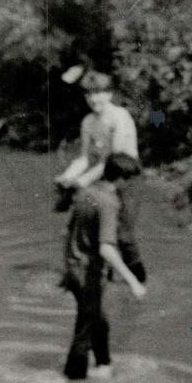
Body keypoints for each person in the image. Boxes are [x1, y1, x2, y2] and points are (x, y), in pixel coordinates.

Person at [56, 68, 147, 283]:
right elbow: (85, 159)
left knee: (123, 234)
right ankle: (109, 279)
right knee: (101, 230)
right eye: (88, 94)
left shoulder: (119, 117)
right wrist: (66, 176)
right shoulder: (88, 122)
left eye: (97, 93)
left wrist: (82, 180)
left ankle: (140, 280)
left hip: (127, 177)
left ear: (109, 94)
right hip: (103, 180)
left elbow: (112, 160)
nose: (93, 99)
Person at [62, 151, 146, 381]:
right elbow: (106, 248)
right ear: (120, 178)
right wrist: (133, 282)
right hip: (89, 274)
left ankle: (103, 367)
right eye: (129, 181)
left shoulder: (85, 194)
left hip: (75, 268)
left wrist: (67, 269)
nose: (129, 186)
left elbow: (68, 232)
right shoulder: (109, 203)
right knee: (85, 330)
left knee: (99, 321)